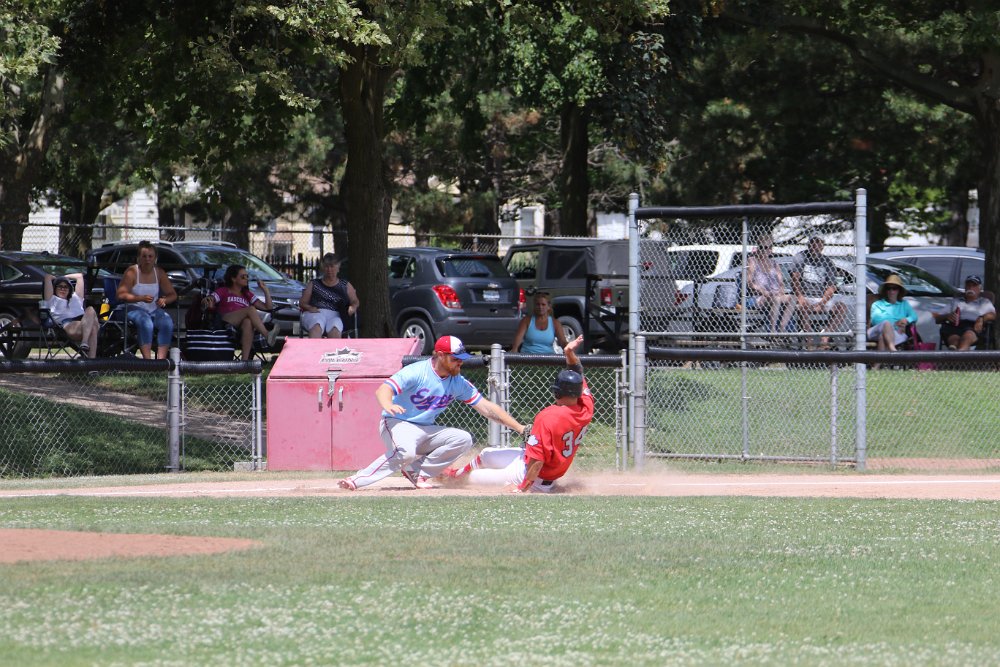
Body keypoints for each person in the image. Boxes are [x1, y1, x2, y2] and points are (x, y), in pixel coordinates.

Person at [338, 335, 527, 491]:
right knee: (405, 452)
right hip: (397, 423)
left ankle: (418, 472)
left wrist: (520, 428)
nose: (460, 362)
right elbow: (384, 389)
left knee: (463, 439)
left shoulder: (457, 382)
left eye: (461, 359)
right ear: (440, 355)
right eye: (455, 358)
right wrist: (388, 404)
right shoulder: (417, 372)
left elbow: (487, 408)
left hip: (424, 430)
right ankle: (357, 480)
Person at [444, 335, 593, 493]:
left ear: (557, 392)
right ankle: (455, 475)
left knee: (474, 477)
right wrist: (568, 352)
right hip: (531, 464)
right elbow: (577, 371)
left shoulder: (548, 417)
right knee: (487, 454)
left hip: (530, 475)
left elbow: (537, 461)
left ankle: (455, 478)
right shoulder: (586, 407)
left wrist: (522, 487)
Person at [202, 265, 279, 360]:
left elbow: (268, 307)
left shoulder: (247, 294)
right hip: (225, 320)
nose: (246, 279)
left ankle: (244, 362)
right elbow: (211, 298)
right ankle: (267, 335)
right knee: (251, 309)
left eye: (247, 276)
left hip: (240, 326)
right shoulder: (224, 290)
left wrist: (265, 290)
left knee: (248, 322)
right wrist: (208, 300)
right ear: (233, 279)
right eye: (243, 277)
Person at [116, 240, 177, 360]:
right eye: (144, 256)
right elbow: (120, 295)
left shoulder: (159, 272)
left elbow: (173, 295)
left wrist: (164, 300)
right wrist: (140, 298)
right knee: (146, 322)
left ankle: (161, 361)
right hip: (133, 308)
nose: (147, 259)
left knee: (167, 322)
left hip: (153, 309)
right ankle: (148, 361)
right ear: (139, 258)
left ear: (155, 258)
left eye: (150, 256)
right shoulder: (132, 272)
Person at [790, 235, 848, 349]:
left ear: (822, 246)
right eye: (813, 242)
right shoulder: (801, 257)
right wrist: (800, 297)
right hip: (805, 296)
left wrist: (822, 303)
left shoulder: (827, 262)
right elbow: (795, 279)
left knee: (841, 307)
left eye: (818, 243)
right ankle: (809, 340)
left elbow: (831, 286)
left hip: (821, 298)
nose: (815, 246)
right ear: (808, 244)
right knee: (803, 306)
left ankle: (825, 337)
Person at [299, 253, 359, 338]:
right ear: (323, 268)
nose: (329, 270)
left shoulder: (345, 285)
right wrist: (310, 308)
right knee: (317, 323)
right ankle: (314, 346)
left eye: (332, 266)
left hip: (336, 315)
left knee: (335, 326)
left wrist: (353, 307)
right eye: (326, 266)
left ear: (338, 268)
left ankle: (333, 347)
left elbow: (355, 300)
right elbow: (302, 302)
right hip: (316, 313)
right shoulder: (314, 284)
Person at [746, 234, 795, 335]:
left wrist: (780, 291)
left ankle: (782, 328)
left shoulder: (774, 263)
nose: (764, 250)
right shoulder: (752, 261)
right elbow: (750, 283)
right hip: (760, 296)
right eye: (761, 247)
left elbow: (781, 283)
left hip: (775, 294)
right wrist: (763, 291)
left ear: (770, 249)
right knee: (775, 299)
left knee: (792, 298)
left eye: (767, 247)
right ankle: (772, 331)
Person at [42, 273, 99, 358]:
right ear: (55, 288)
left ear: (69, 289)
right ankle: (90, 358)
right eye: (60, 286)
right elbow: (47, 277)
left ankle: (85, 344)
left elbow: (79, 276)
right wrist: (59, 277)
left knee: (90, 309)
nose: (63, 289)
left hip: (84, 321)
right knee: (93, 327)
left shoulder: (76, 298)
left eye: (66, 287)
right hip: (68, 324)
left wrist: (65, 277)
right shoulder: (51, 299)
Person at [935, 274, 996, 350]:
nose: (970, 288)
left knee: (967, 336)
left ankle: (958, 354)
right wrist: (947, 316)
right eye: (968, 285)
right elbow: (937, 318)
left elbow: (993, 315)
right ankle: (956, 352)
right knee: (954, 339)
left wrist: (982, 318)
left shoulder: (984, 302)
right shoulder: (956, 301)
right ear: (965, 287)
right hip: (955, 326)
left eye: (974, 285)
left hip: (973, 326)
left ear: (980, 288)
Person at [868, 274, 917, 352]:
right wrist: (896, 324)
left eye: (894, 288)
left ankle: (880, 360)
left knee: (882, 337)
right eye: (889, 288)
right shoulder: (877, 304)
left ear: (899, 290)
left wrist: (906, 320)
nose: (891, 291)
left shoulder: (904, 304)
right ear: (885, 290)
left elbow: (914, 316)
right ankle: (893, 350)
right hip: (876, 331)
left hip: (895, 333)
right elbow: (876, 321)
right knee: (886, 324)